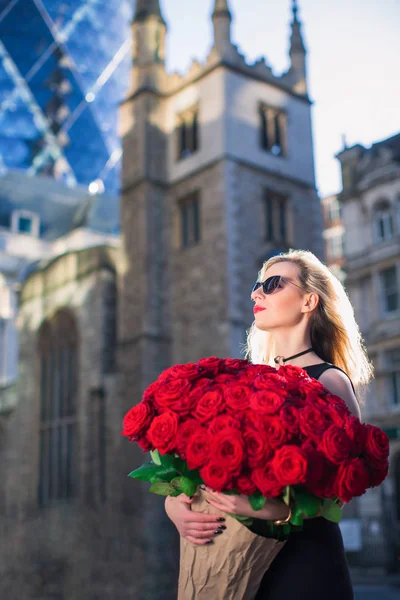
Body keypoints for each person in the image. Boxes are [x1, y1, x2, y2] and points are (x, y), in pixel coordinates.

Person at [165, 249, 374, 600]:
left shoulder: (330, 380)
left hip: (304, 565)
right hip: (237, 562)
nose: (256, 294)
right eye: (257, 286)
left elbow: (343, 487)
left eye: (273, 285)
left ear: (309, 301)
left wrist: (275, 510)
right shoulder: (245, 380)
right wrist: (175, 504)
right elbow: (205, 465)